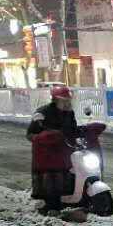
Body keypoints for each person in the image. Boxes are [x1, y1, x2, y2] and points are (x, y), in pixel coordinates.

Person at [27, 85, 79, 213]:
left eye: (68, 100)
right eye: (64, 100)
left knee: (66, 176)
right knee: (49, 180)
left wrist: (82, 134)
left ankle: (65, 200)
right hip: (46, 154)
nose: (67, 103)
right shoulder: (42, 113)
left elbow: (73, 131)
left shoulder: (69, 113)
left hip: (63, 152)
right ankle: (49, 205)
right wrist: (44, 138)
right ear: (55, 100)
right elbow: (30, 134)